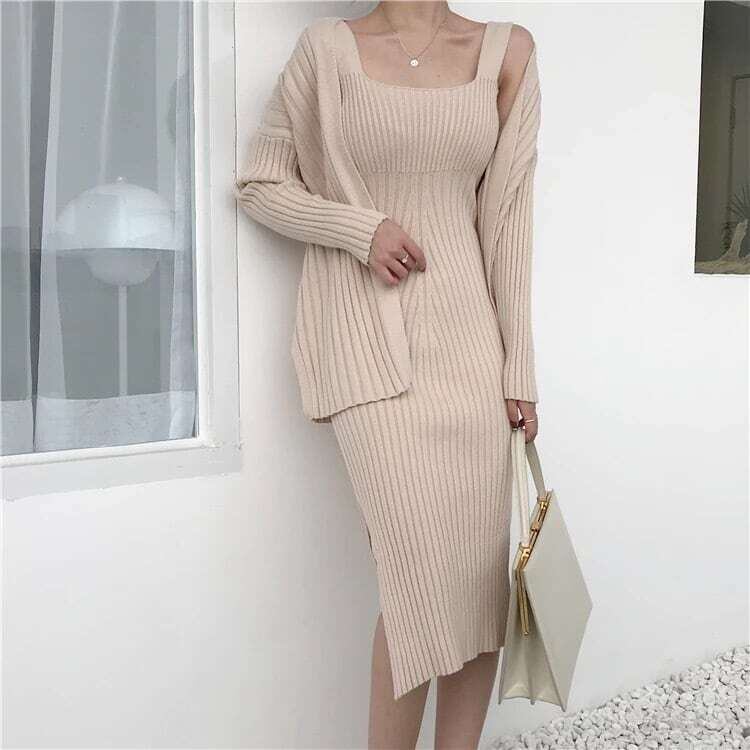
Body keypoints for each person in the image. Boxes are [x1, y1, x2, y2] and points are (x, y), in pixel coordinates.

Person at [234, 3, 541, 746]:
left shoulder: (507, 52)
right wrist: (359, 228)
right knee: (417, 590)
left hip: (472, 350)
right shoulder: (324, 52)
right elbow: (260, 184)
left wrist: (519, 368)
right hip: (366, 351)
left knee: (478, 585)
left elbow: (508, 219)